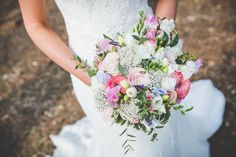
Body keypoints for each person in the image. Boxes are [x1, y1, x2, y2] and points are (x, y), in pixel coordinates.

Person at [19, 0, 225, 157]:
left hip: (151, 58)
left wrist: (160, 48)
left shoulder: (156, 56)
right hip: (91, 73)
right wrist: (96, 80)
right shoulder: (94, 78)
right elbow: (36, 24)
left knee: (162, 137)